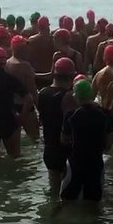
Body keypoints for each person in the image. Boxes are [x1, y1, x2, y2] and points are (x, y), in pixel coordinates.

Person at [60, 79, 113, 203]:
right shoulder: (105, 114)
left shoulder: (71, 115)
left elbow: (64, 140)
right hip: (96, 163)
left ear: (76, 96)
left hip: (76, 162)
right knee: (93, 203)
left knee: (67, 202)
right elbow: (108, 144)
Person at [37, 58, 78, 192]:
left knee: (54, 192)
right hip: (66, 150)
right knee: (68, 194)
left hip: (49, 149)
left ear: (54, 73)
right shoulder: (70, 97)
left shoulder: (42, 93)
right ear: (72, 76)